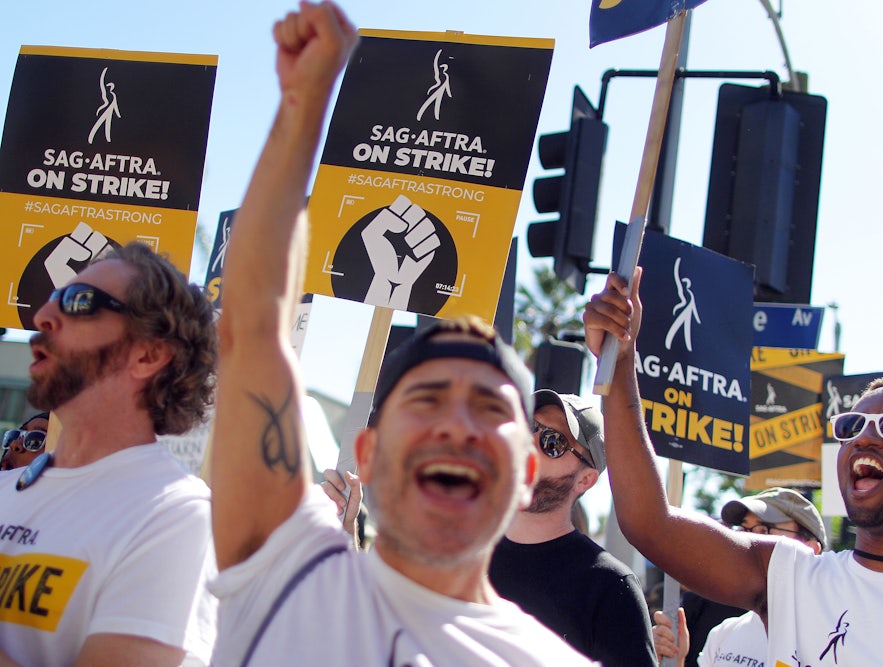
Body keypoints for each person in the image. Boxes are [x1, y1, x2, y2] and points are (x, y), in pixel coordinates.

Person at [207, 4, 592, 664]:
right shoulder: (282, 572)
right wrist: (304, 104)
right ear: (368, 446)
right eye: (426, 397)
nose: (455, 423)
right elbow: (249, 330)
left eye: (491, 406)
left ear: (528, 469)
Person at [583, 269, 883, 666]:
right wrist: (621, 361)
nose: (863, 439)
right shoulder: (790, 578)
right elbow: (649, 524)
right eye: (851, 426)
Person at [0, 242, 218, 667]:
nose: (42, 316)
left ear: (148, 354)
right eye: (51, 299)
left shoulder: (177, 515)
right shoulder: (7, 487)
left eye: (79, 302)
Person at [488, 390, 657, 666]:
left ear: (585, 480)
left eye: (552, 442)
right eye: (528, 427)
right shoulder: (463, 554)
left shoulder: (610, 586)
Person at [653, 488, 826, 666]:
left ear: (810, 550)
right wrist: (675, 659)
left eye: (764, 530)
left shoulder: (834, 638)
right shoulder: (725, 633)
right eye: (743, 529)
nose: (748, 541)